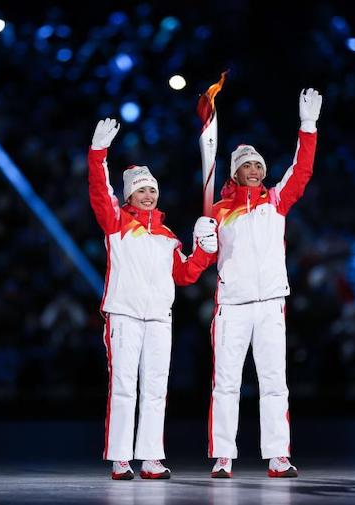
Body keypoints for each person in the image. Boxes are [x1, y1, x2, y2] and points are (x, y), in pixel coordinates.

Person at [191, 88, 323, 478]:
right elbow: (201, 261)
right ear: (234, 171)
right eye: (247, 165)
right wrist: (204, 240)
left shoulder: (276, 201)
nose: (254, 170)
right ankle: (223, 455)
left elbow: (302, 171)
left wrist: (308, 127)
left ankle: (278, 454)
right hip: (231, 304)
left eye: (258, 165)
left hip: (270, 303)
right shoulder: (216, 211)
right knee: (226, 383)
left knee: (274, 381)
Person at [88, 118, 217, 480]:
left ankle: (150, 458)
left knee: (157, 390)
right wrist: (97, 154)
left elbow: (185, 275)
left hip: (160, 319)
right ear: (129, 195)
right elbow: (99, 191)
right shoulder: (116, 223)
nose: (148, 196)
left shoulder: (168, 236)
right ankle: (120, 459)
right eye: (141, 191)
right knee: (125, 387)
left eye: (152, 190)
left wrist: (205, 251)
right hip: (124, 316)